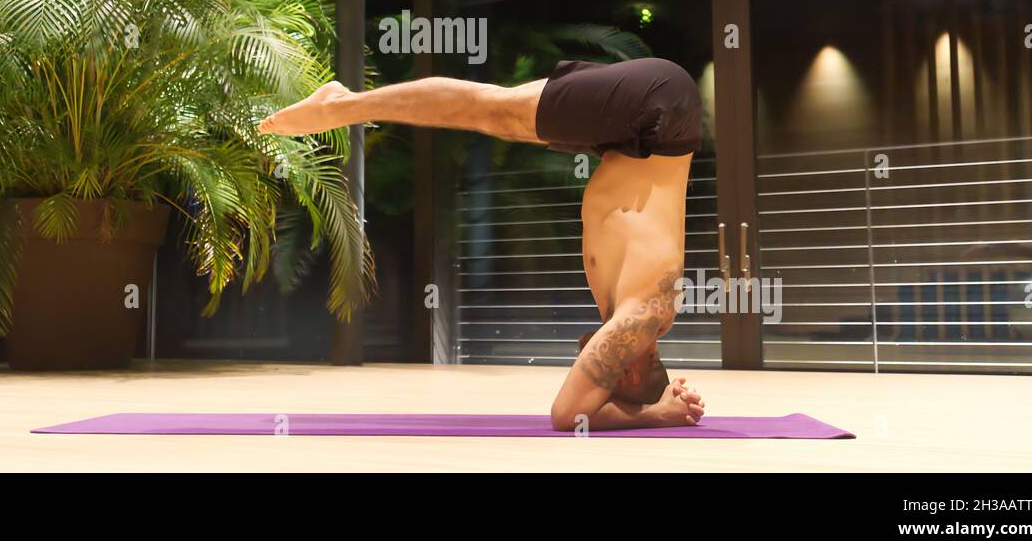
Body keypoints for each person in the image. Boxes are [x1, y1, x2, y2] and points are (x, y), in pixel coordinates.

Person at [259, 57, 707, 432]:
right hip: (657, 112)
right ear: (627, 370)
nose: (584, 362)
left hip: (639, 130)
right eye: (608, 384)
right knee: (493, 110)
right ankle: (340, 105)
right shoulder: (644, 316)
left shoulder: (633, 311)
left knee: (499, 114)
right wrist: (658, 414)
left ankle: (344, 104)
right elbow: (568, 414)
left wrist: (655, 403)